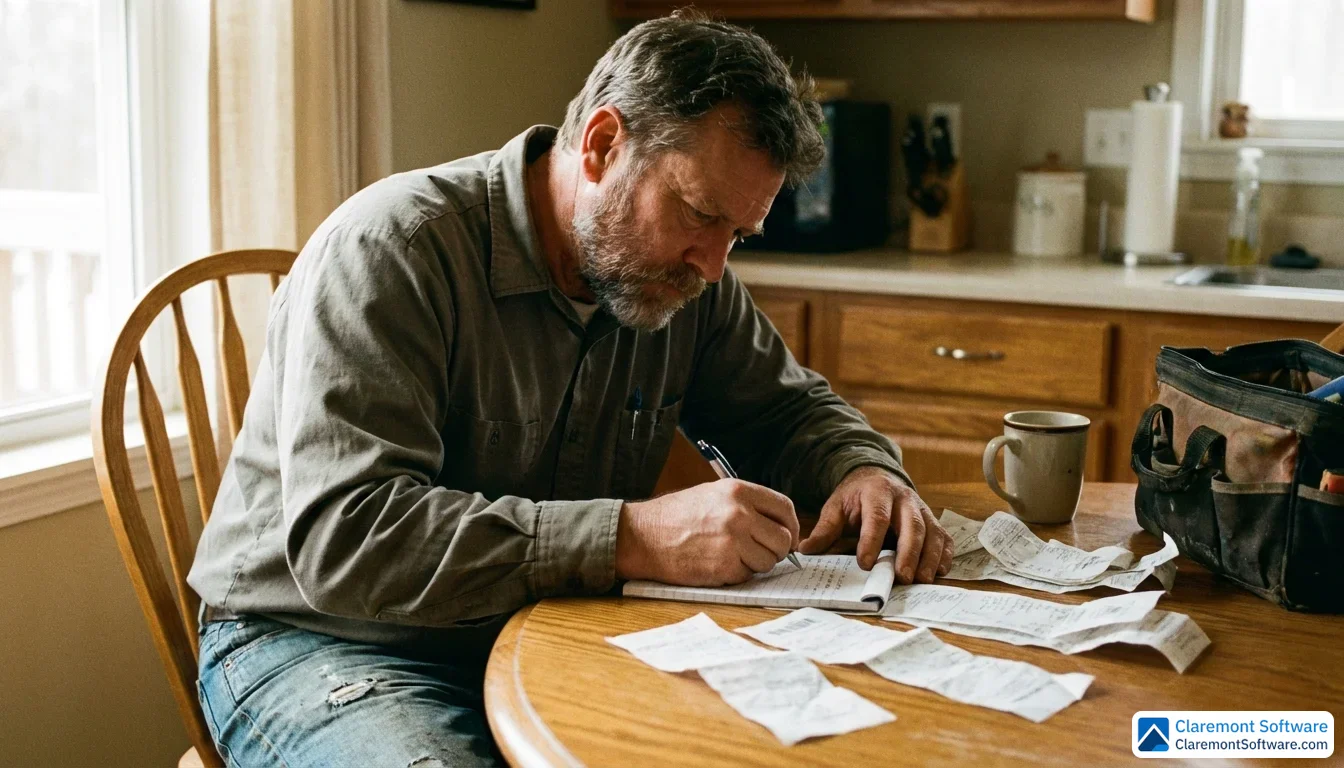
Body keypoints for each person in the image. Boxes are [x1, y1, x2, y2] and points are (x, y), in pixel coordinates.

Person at [188, 10, 953, 766]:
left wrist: (862, 469)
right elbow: (350, 540)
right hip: (325, 642)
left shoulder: (685, 279)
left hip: (542, 626)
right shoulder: (393, 250)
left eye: (738, 236)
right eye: (698, 213)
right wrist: (633, 536)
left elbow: (788, 409)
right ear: (602, 145)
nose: (714, 266)